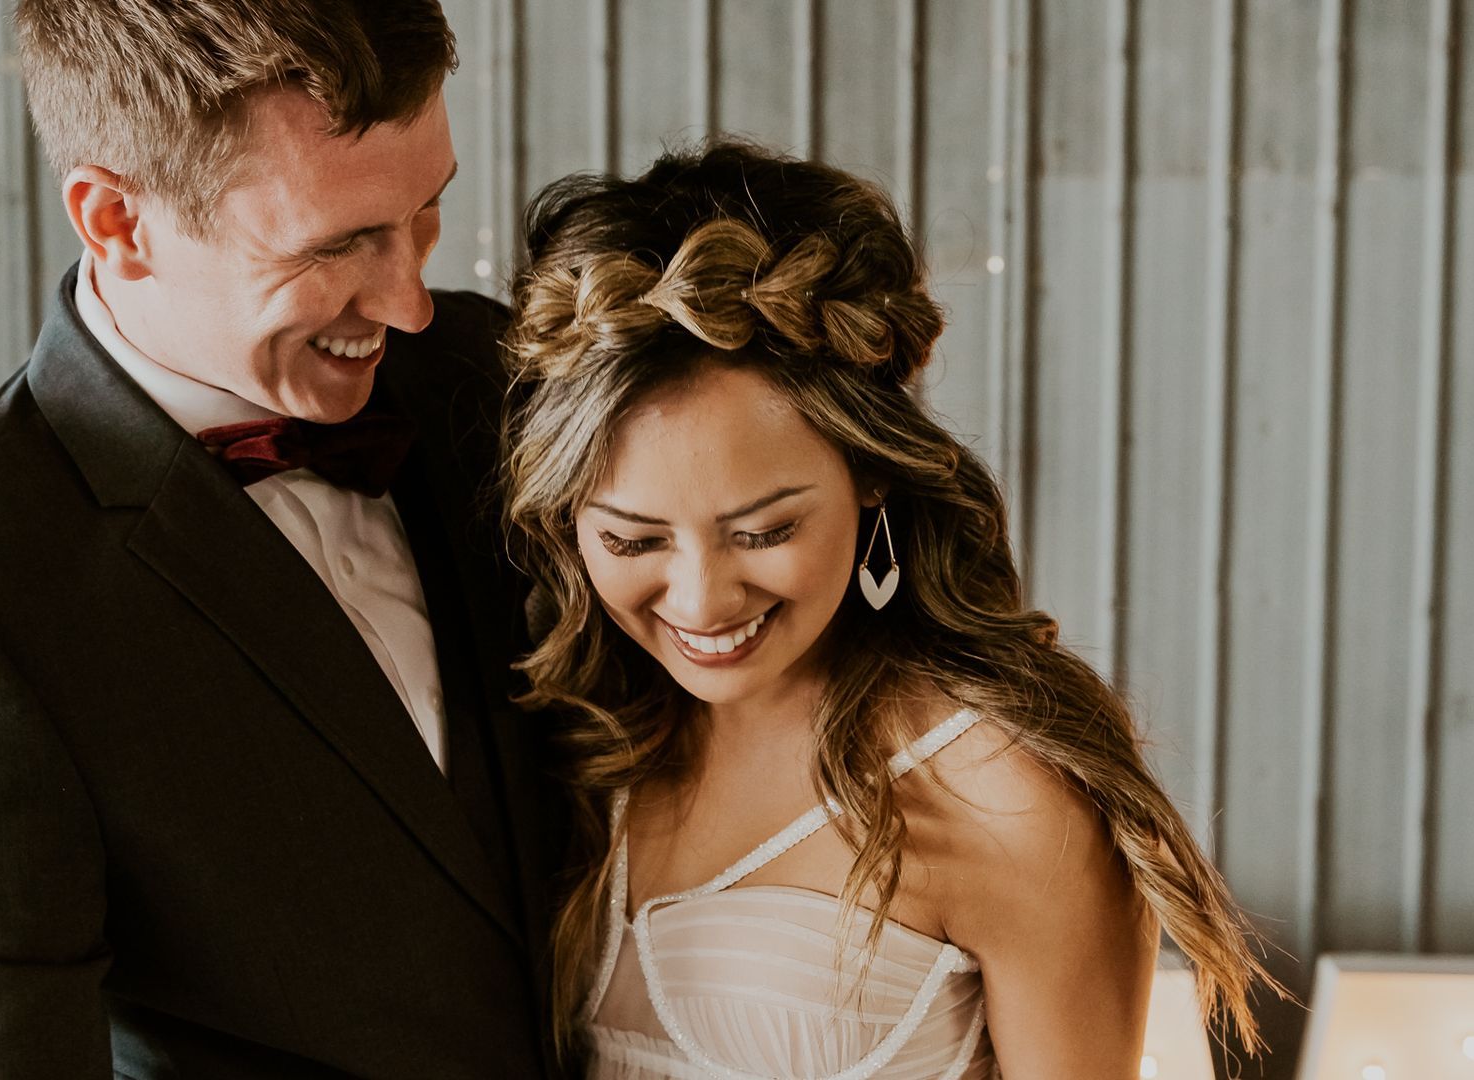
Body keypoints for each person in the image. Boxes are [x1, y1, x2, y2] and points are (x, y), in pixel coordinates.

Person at [0, 2, 562, 1076]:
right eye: (341, 243)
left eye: (426, 215)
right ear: (117, 221)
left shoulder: (484, 377)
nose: (408, 304)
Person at [500, 142, 1276, 1078]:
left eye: (763, 531)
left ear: (871, 473)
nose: (701, 601)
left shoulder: (1004, 796)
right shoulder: (580, 731)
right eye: (633, 541)